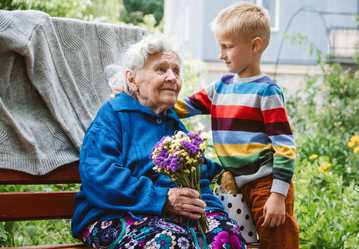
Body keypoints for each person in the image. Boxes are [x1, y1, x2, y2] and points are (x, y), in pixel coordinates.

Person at [71, 34, 247, 249]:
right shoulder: (114, 115)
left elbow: (198, 178)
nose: (173, 77)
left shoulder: (173, 125)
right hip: (111, 214)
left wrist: (213, 214)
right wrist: (162, 199)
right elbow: (99, 175)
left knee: (226, 238)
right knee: (171, 241)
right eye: (161, 69)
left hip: (172, 218)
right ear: (132, 79)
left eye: (176, 71)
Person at [174, 2, 299, 249]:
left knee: (277, 239)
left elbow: (285, 147)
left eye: (227, 46)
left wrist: (278, 194)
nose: (221, 54)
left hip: (266, 183)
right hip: (234, 183)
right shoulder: (220, 87)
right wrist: (146, 99)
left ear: (255, 45)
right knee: (244, 242)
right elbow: (180, 107)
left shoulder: (266, 91)